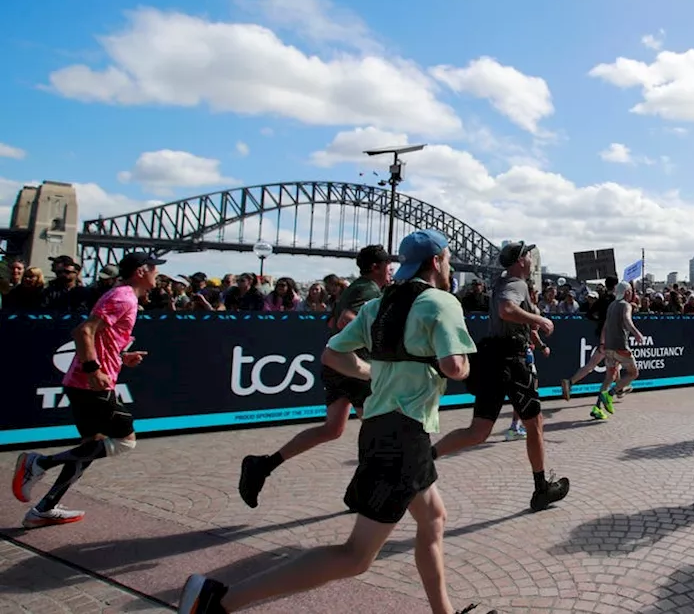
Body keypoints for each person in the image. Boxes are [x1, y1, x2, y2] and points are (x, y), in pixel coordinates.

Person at [178, 230, 492, 614]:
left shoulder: (379, 305)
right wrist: (467, 363)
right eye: (446, 258)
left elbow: (332, 355)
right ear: (435, 262)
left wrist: (373, 373)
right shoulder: (440, 303)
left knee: (433, 520)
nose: (448, 265)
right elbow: (455, 367)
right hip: (405, 436)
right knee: (356, 556)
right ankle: (218, 600)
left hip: (383, 427)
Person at [12, 252, 164, 528]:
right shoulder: (123, 297)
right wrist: (94, 369)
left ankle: (45, 508)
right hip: (90, 384)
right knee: (124, 441)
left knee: (91, 446)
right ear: (141, 271)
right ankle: (40, 463)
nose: (158, 273)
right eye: (154, 268)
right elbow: (83, 332)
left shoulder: (123, 296)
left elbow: (102, 337)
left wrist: (121, 357)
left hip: (82, 382)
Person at [238, 245, 394, 509]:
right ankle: (360, 492)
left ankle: (263, 464)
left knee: (332, 429)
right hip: (355, 366)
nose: (391, 273)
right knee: (378, 429)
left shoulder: (353, 289)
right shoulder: (368, 290)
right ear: (376, 267)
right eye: (389, 268)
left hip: (336, 365)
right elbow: (345, 320)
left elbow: (331, 323)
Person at [432, 241, 570, 512]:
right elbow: (507, 310)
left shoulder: (505, 282)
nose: (531, 258)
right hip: (512, 361)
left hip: (494, 358)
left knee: (479, 430)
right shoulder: (516, 283)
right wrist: (541, 321)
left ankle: (425, 458)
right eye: (528, 255)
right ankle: (541, 489)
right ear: (521, 261)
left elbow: (512, 318)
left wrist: (538, 341)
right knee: (535, 424)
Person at [590, 282, 646, 420]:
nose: (633, 294)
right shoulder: (625, 305)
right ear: (627, 292)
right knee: (633, 373)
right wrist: (637, 333)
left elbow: (606, 326)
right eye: (631, 291)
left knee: (609, 377)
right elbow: (627, 320)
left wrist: (603, 342)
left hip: (609, 347)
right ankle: (611, 394)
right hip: (621, 346)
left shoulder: (611, 305)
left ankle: (597, 408)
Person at [560, 277, 618, 400]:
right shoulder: (614, 300)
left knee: (613, 365)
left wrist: (599, 320)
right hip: (608, 337)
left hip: (605, 336)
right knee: (596, 365)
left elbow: (589, 314)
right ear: (615, 286)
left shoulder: (601, 299)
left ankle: (620, 388)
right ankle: (571, 382)